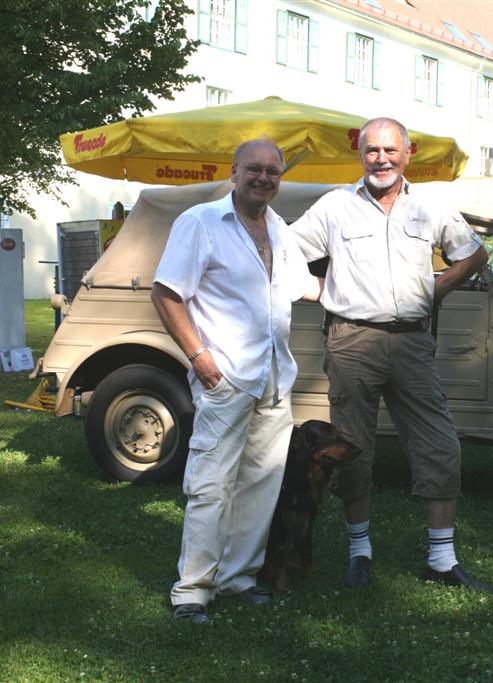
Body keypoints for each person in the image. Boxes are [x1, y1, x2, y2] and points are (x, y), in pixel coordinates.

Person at [289, 117, 493, 593]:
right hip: (352, 343)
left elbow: (474, 253)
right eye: (371, 151)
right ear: (360, 154)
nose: (380, 159)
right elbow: (286, 251)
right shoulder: (334, 207)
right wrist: (317, 289)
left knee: (440, 445)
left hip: (412, 343)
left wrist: (439, 288)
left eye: (390, 150)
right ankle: (359, 555)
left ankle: (442, 560)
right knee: (351, 451)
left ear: (409, 153)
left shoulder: (429, 207)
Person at [152, 139, 320, 624]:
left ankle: (238, 577)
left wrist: (367, 293)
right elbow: (166, 294)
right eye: (255, 169)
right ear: (234, 172)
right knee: (210, 485)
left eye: (273, 171)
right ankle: (192, 591)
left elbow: (301, 287)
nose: (264, 178)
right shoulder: (201, 223)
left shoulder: (278, 228)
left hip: (273, 378)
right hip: (224, 376)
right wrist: (200, 358)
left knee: (261, 484)